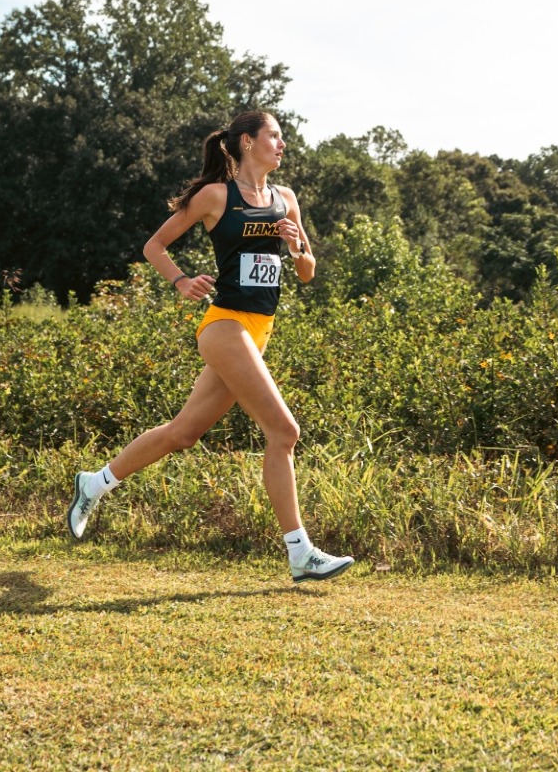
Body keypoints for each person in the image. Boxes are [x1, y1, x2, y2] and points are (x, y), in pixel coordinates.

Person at [66, 111, 355, 582]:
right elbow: (154, 246)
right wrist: (180, 280)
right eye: (274, 136)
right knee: (284, 432)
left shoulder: (286, 199)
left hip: (261, 330)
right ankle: (300, 553)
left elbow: (307, 272)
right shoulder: (216, 196)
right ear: (247, 141)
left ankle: (94, 484)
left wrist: (298, 249)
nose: (283, 145)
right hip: (224, 326)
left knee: (183, 433)